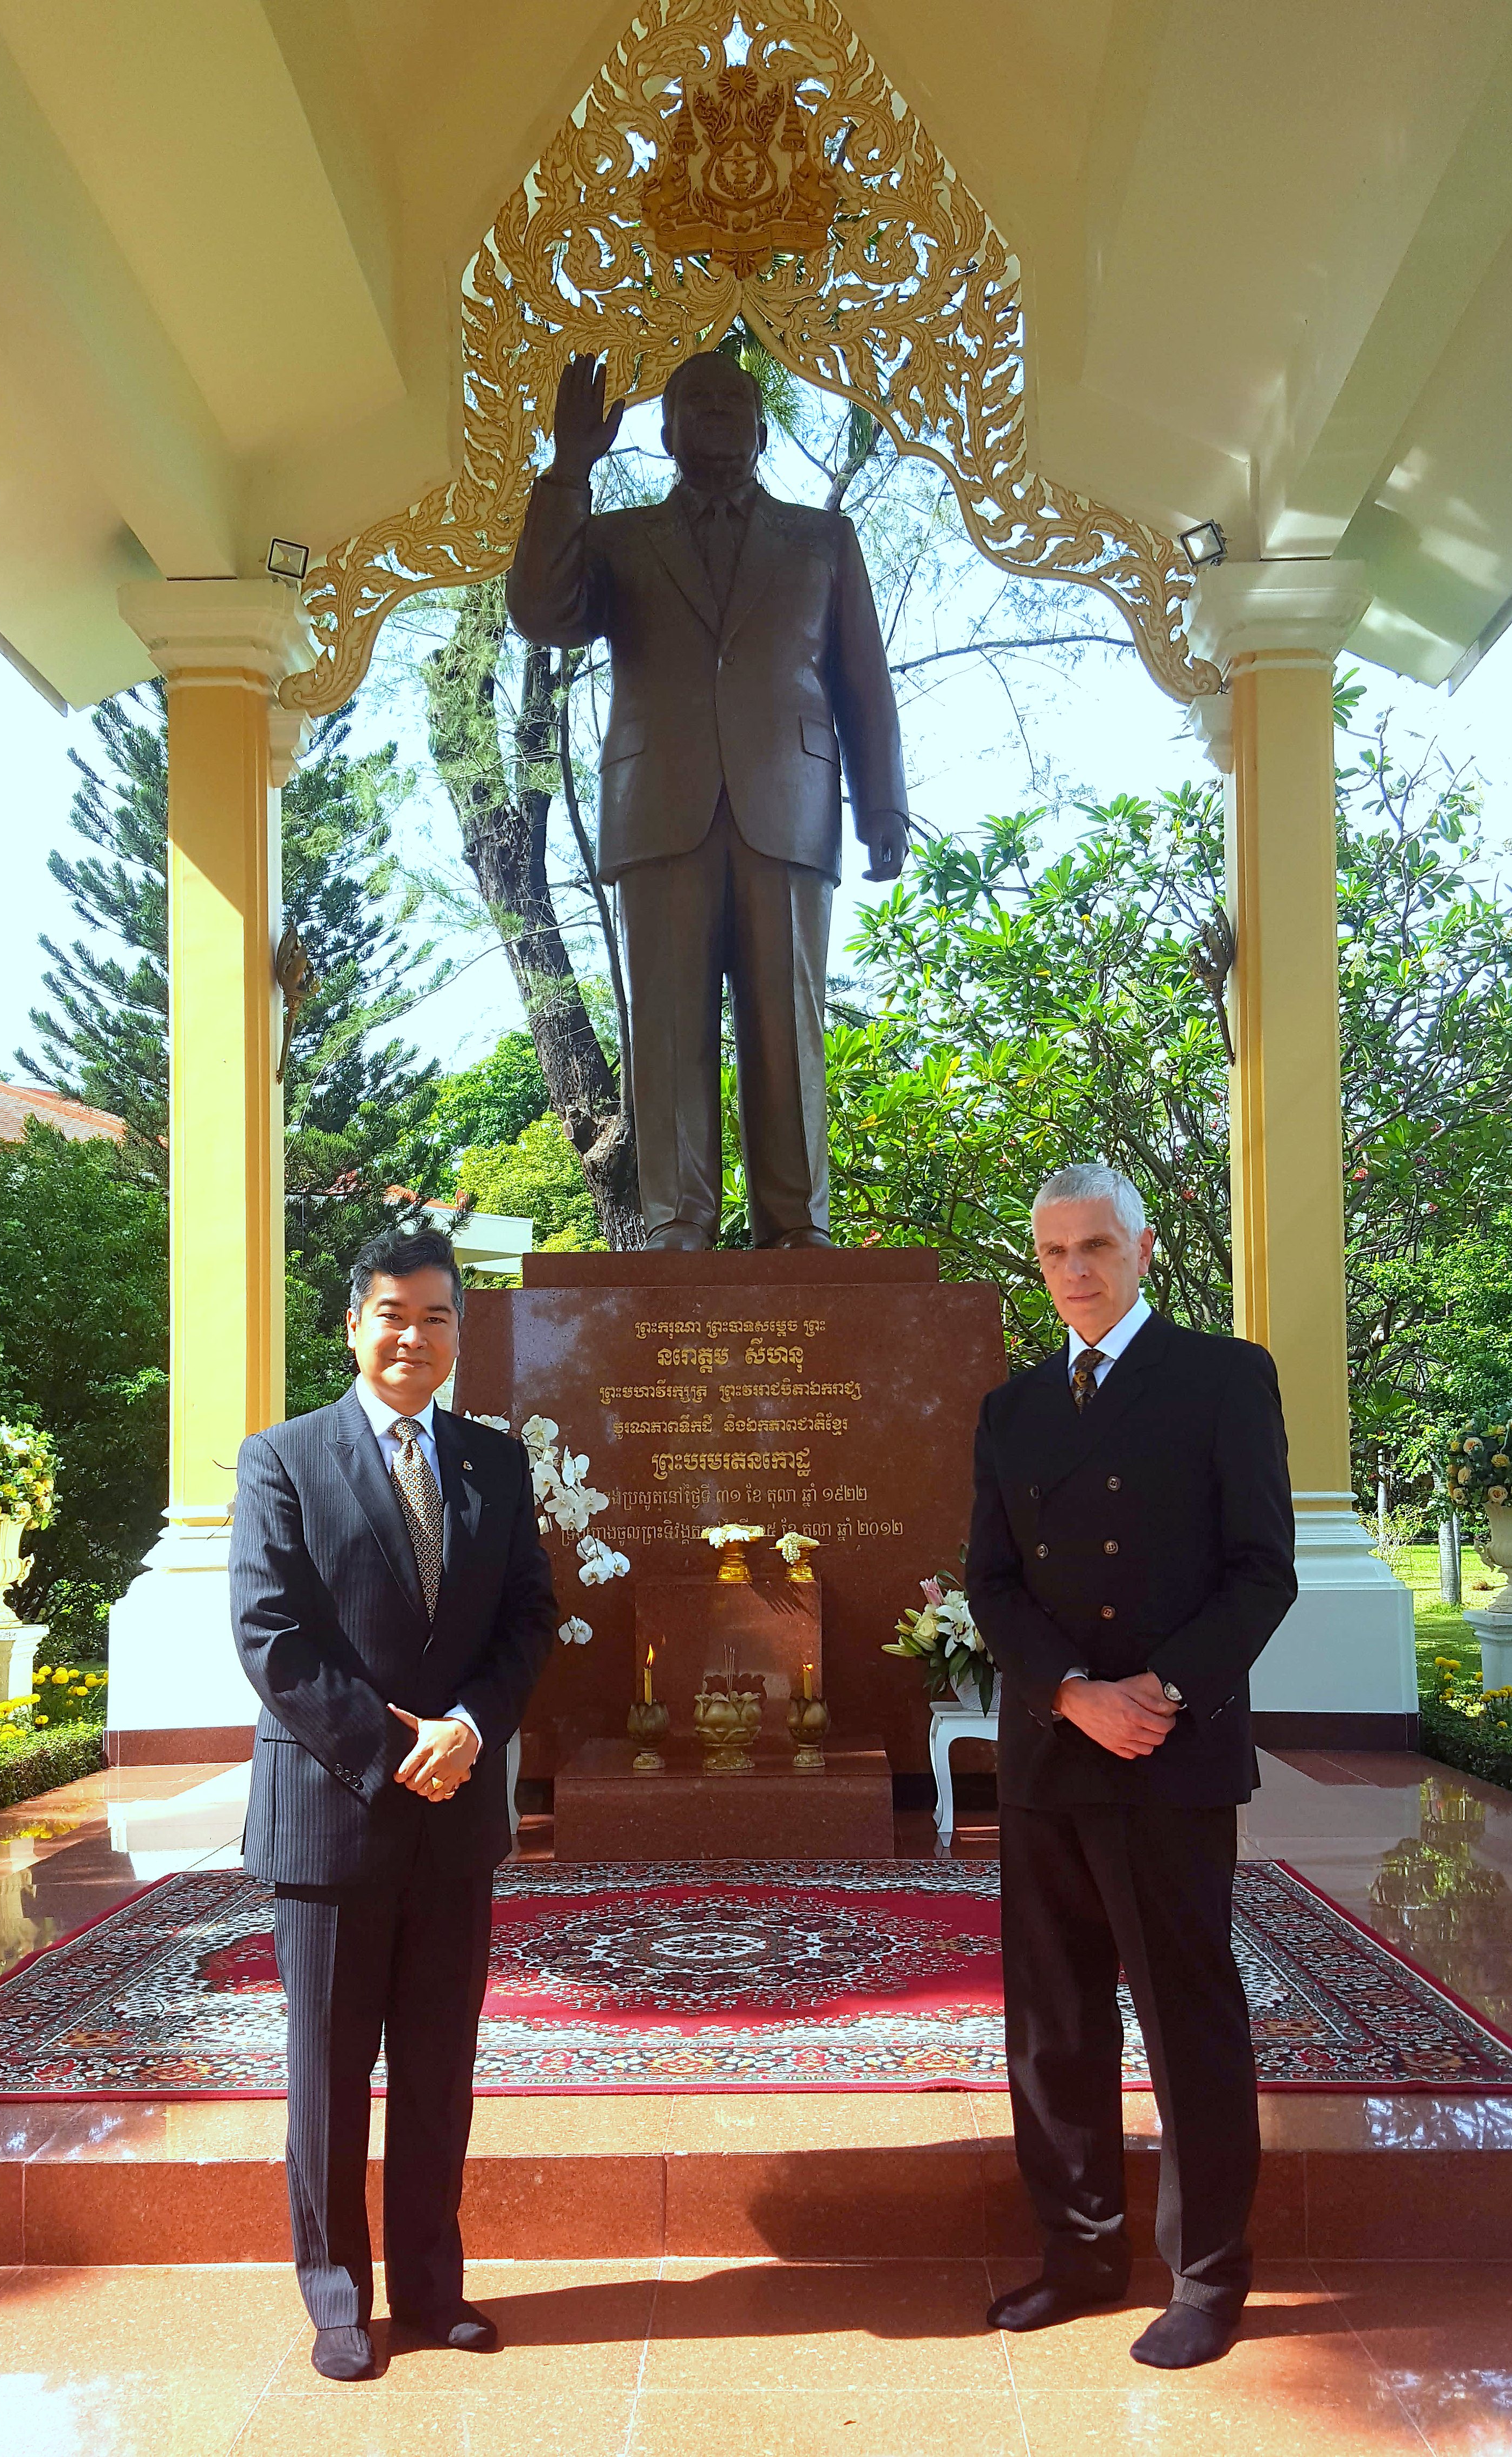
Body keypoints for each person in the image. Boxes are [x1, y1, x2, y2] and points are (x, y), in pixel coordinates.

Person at [966, 1164, 1296, 2369]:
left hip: (1169, 1751)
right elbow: (990, 1583)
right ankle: (1081, 2254)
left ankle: (1207, 2275)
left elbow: (1264, 1567)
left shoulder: (1221, 1379)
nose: (1076, 1273)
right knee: (1053, 2027)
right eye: (1053, 1254)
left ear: (1143, 1247)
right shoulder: (1011, 1411)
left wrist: (1153, 1694)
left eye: (1096, 1246)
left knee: (1186, 2019)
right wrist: (1068, 1693)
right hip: (1053, 1751)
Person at [229, 1226, 556, 2381]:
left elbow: (527, 1618)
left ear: (459, 1331)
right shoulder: (283, 1458)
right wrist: (390, 1746)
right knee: (328, 2073)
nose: (411, 1336)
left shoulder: (493, 1463)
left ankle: (431, 2287)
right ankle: (335, 2300)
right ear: (352, 1325)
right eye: (389, 1313)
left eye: (434, 1316)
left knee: (436, 2069)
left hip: (455, 1814)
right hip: (331, 1814)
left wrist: (470, 1728)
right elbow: (271, 1636)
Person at [506, 347, 909, 1251]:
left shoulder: (823, 540)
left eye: (737, 401)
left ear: (765, 431)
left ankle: (797, 1224)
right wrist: (569, 470)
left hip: (793, 806)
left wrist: (883, 803)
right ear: (664, 429)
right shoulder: (617, 539)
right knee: (667, 1021)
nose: (720, 413)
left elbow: (863, 681)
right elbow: (540, 612)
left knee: (787, 1023)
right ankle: (678, 1219)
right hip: (660, 806)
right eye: (699, 401)